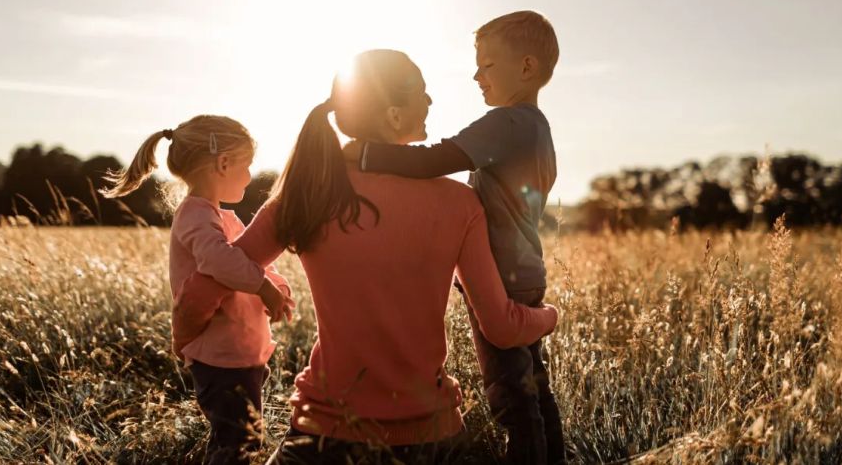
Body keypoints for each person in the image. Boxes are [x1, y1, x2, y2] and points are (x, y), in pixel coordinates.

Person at [174, 49, 558, 464]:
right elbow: (501, 328)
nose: (429, 102)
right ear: (394, 115)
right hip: (432, 438)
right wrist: (550, 315)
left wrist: (185, 338)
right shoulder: (460, 202)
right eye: (422, 93)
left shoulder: (307, 195)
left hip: (323, 436)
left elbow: (207, 283)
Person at [344, 11, 564, 464]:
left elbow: (435, 159)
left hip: (501, 279)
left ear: (526, 68)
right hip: (523, 272)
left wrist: (366, 154)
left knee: (512, 398)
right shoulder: (536, 128)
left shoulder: (509, 124)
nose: (476, 75)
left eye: (487, 65)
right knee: (534, 389)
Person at [101, 115, 295, 465]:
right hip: (220, 358)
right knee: (233, 445)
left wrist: (276, 283)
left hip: (240, 353)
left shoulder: (226, 218)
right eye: (247, 166)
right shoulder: (194, 215)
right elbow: (219, 261)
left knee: (243, 440)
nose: (251, 176)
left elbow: (251, 260)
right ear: (223, 163)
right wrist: (263, 286)